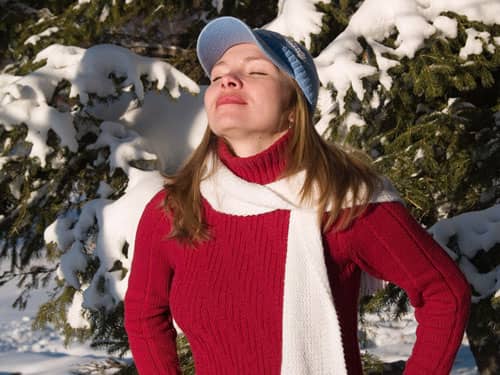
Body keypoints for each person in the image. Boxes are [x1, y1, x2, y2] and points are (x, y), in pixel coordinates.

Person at [124, 16, 471, 375]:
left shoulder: (346, 200)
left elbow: (445, 292)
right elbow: (144, 314)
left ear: (294, 108)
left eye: (256, 72)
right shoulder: (177, 208)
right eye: (217, 76)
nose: (227, 78)